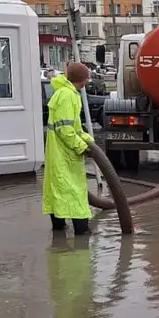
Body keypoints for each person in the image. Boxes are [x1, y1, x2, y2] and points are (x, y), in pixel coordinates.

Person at [43, 62, 95, 235]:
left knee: (57, 189)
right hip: (65, 153)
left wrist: (88, 140)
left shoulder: (64, 92)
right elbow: (65, 129)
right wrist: (81, 147)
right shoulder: (68, 96)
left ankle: (59, 232)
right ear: (84, 80)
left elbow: (75, 127)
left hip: (57, 152)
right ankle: (82, 232)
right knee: (74, 191)